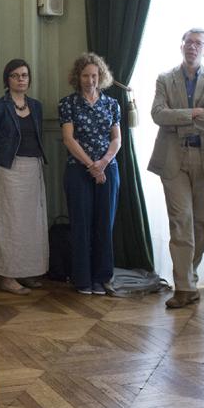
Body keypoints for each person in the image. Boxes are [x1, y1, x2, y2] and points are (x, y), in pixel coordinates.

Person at [147, 28, 204, 309]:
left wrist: (176, 120)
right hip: (173, 160)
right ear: (181, 46)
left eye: (198, 43)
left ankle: (189, 277)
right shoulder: (165, 79)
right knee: (181, 222)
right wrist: (193, 113)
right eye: (188, 42)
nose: (192, 47)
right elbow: (158, 114)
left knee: (200, 225)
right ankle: (183, 287)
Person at [0, 59, 50, 295]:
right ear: (7, 79)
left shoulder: (37, 106)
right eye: (16, 75)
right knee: (9, 224)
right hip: (8, 171)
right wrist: (0, 161)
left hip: (33, 169)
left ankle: (26, 271)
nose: (21, 79)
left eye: (25, 75)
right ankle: (8, 276)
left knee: (31, 224)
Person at [59, 53, 121, 295]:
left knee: (104, 224)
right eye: (85, 75)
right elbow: (68, 138)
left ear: (101, 76)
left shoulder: (112, 104)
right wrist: (91, 166)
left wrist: (103, 163)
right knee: (81, 225)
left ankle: (102, 278)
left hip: (108, 170)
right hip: (78, 170)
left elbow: (116, 139)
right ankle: (83, 279)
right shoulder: (68, 103)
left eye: (94, 75)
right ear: (78, 77)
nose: (90, 80)